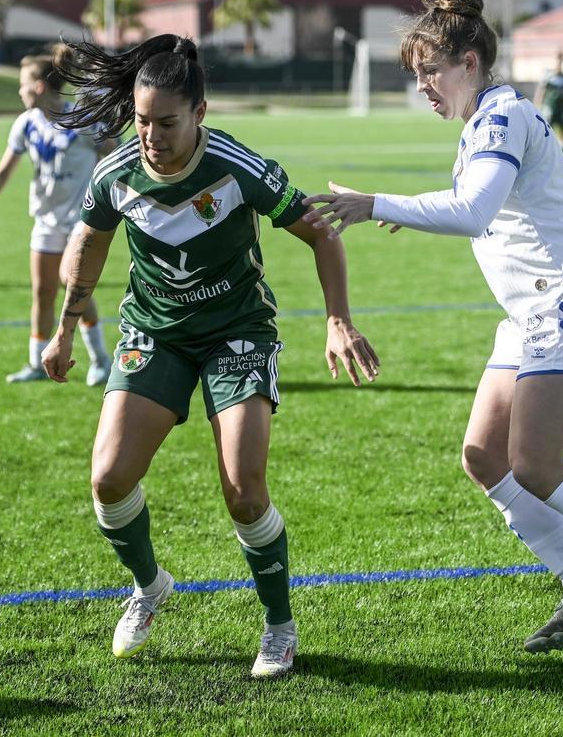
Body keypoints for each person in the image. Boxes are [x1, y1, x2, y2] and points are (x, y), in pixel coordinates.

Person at [303, 0, 563, 662]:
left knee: (535, 464)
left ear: (472, 60)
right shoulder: (483, 120)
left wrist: (376, 203)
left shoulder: (499, 117)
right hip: (531, 310)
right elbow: (470, 201)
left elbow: (474, 210)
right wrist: (410, 205)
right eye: (415, 72)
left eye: (430, 69)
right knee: (484, 457)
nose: (421, 85)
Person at [40, 33, 379, 677]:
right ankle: (149, 586)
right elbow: (87, 245)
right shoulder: (116, 171)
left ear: (200, 112)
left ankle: (279, 625)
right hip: (155, 332)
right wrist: (64, 330)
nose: (151, 136)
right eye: (142, 121)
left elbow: (320, 235)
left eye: (166, 122)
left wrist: (338, 319)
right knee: (109, 480)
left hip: (237, 332)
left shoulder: (237, 167)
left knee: (245, 493)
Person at [0, 45, 116, 386]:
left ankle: (101, 359)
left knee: (70, 282)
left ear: (40, 86)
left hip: (80, 220)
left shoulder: (81, 120)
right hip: (45, 220)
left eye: (23, 83)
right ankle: (36, 363)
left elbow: (114, 151)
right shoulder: (27, 124)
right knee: (42, 292)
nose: (19, 90)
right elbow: (3, 171)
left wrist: (107, 127)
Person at [533, 51, 563, 151]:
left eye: (560, 59)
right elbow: (541, 90)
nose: (559, 61)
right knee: (548, 129)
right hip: (550, 107)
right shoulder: (549, 76)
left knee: (562, 129)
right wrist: (537, 103)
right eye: (557, 59)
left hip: (561, 108)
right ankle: (547, 148)